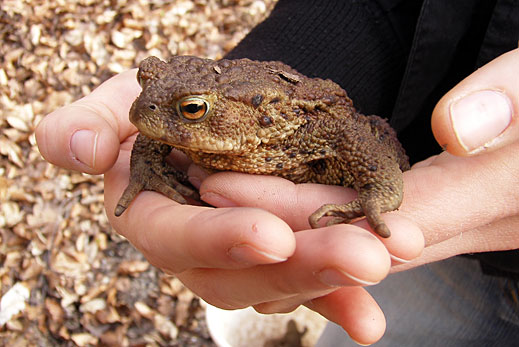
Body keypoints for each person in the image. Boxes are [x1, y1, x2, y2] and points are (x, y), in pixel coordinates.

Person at [36, 0, 519, 345]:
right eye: (148, 82)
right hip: (436, 267)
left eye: (191, 109)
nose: (147, 111)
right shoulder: (182, 113)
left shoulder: (301, 130)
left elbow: (348, 129)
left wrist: (381, 187)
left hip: (376, 165)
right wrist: (146, 167)